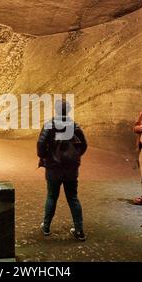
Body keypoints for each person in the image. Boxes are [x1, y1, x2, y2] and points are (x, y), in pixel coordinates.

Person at [37, 100, 88, 241]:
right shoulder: (74, 125)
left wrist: (43, 156)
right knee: (73, 198)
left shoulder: (50, 124)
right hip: (71, 169)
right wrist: (74, 157)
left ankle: (46, 227)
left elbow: (41, 143)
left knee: (52, 196)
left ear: (56, 110)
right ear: (69, 110)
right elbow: (84, 145)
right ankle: (79, 231)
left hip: (54, 167)